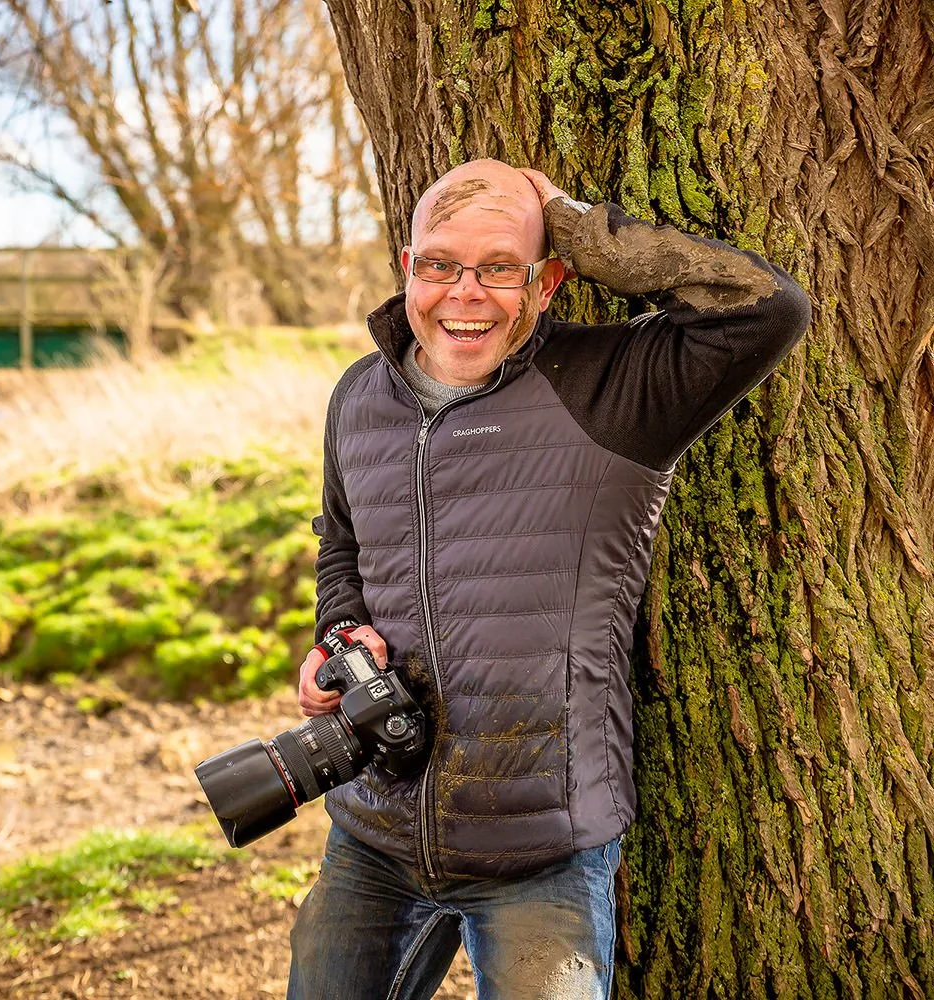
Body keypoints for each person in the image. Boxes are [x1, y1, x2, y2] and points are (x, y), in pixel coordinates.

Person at [288, 159, 811, 999]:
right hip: (374, 830)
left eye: (501, 268)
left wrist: (569, 221)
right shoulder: (359, 395)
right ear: (406, 267)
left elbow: (769, 308)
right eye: (439, 264)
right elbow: (341, 548)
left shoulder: (616, 387)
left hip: (543, 847)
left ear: (551, 280)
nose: (465, 294)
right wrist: (338, 637)